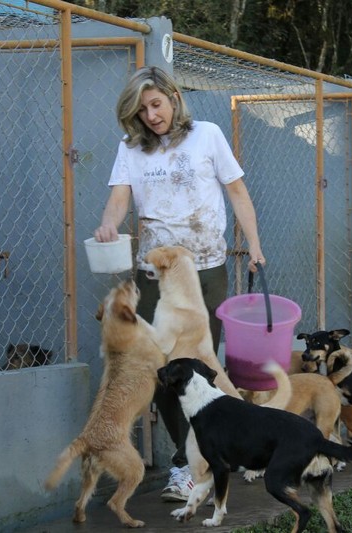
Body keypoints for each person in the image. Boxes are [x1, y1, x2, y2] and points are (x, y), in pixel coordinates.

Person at [93, 66, 266, 502]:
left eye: (156, 104)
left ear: (173, 97)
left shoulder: (206, 135)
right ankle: (187, 465)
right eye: (142, 109)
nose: (151, 115)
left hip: (205, 270)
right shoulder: (131, 148)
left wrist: (256, 246)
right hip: (155, 275)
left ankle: (208, 459)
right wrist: (108, 225)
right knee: (161, 373)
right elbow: (119, 198)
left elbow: (238, 192)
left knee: (200, 371)